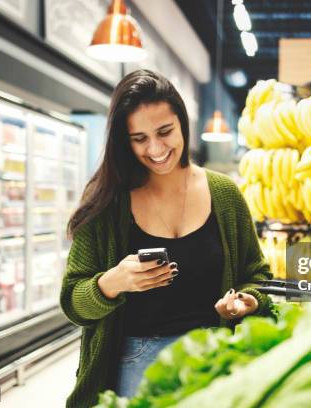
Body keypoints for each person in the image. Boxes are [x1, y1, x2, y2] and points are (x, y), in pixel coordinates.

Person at [60, 69, 273, 407]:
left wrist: (247, 301)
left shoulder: (225, 194)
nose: (156, 148)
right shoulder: (109, 201)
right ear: (123, 140)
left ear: (182, 124)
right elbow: (73, 301)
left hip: (213, 359)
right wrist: (112, 283)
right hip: (134, 366)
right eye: (139, 138)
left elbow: (258, 275)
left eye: (164, 131)